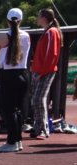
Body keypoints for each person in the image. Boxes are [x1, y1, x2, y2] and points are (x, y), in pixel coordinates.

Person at [0, 7, 31, 152]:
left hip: (9, 75)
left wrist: (2, 56)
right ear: (21, 20)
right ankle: (18, 141)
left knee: (8, 109)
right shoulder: (26, 35)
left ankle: (12, 142)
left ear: (7, 20)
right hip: (23, 74)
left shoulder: (2, 37)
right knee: (18, 109)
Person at [29, 8, 62, 140]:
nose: (37, 18)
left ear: (44, 18)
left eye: (38, 16)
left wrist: (42, 72)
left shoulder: (51, 32)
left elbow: (51, 54)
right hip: (38, 70)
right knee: (36, 100)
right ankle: (38, 127)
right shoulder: (47, 32)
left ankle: (43, 128)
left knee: (39, 99)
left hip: (45, 71)